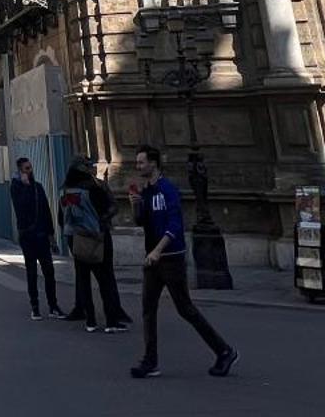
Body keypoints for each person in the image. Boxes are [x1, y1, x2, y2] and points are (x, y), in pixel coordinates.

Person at [128, 145, 237, 379]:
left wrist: (158, 251)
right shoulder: (146, 192)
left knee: (185, 309)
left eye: (141, 162)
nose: (138, 166)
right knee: (148, 309)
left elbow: (175, 226)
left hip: (171, 259)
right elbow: (141, 222)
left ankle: (224, 350)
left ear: (154, 163)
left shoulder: (168, 190)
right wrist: (135, 204)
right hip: (152, 260)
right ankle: (150, 361)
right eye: (137, 163)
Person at [60, 159, 128, 332]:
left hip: (76, 239)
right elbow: (110, 209)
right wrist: (102, 222)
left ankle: (90, 321)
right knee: (105, 279)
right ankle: (111, 321)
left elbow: (63, 218)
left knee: (83, 280)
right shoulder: (93, 189)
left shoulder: (67, 191)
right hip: (96, 237)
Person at [8, 156, 62, 321]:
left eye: (30, 168)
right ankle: (35, 306)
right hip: (28, 237)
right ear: (20, 171)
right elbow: (20, 207)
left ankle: (53, 306)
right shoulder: (16, 187)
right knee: (31, 272)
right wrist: (25, 186)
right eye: (26, 169)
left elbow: (46, 211)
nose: (30, 171)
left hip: (42, 236)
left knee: (49, 272)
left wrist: (51, 235)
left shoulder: (38, 188)